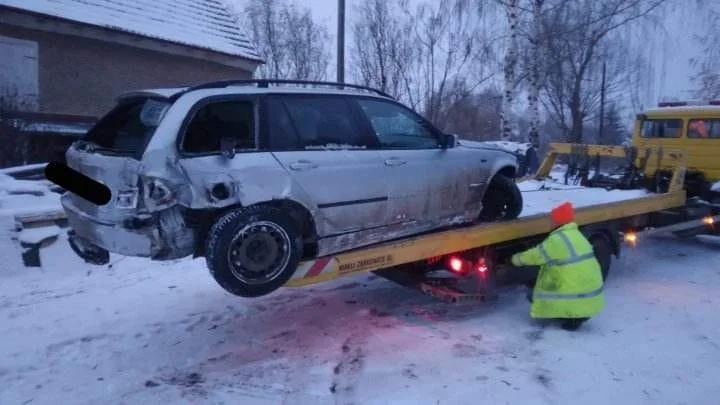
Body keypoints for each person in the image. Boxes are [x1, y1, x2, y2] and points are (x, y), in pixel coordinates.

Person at [510, 201, 605, 331]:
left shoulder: (557, 240)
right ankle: (577, 315)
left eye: (552, 219)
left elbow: (535, 256)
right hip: (589, 294)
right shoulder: (576, 235)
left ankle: (569, 316)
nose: (550, 222)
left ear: (559, 221)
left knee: (534, 295)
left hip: (576, 293)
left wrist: (515, 259)